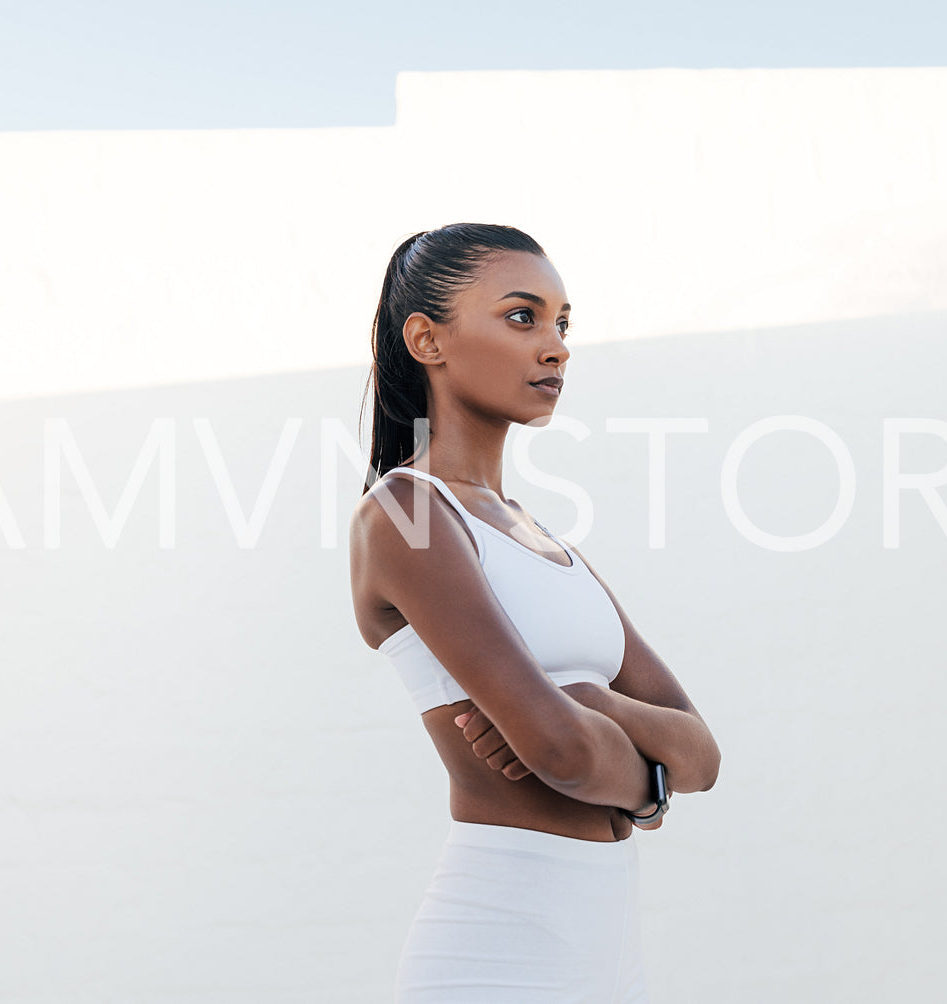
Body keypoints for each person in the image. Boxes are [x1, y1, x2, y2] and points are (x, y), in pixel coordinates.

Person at [348, 223, 722, 1003]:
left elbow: (702, 757)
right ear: (427, 339)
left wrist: (590, 703)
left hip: (607, 943)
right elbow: (564, 757)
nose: (553, 347)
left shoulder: (539, 535)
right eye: (522, 317)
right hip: (501, 944)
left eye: (561, 323)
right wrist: (635, 772)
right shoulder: (408, 515)